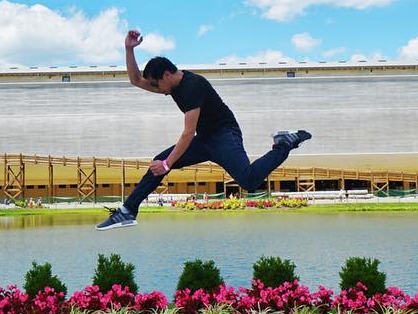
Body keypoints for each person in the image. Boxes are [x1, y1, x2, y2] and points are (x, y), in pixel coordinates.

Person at [96, 30, 312, 231]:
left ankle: (284, 144)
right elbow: (135, 80)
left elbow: (187, 133)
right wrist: (129, 49)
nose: (156, 89)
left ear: (166, 75)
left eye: (156, 84)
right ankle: (127, 211)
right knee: (157, 163)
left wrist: (167, 164)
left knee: (249, 180)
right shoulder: (171, 86)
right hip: (205, 139)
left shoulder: (193, 86)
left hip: (224, 135)